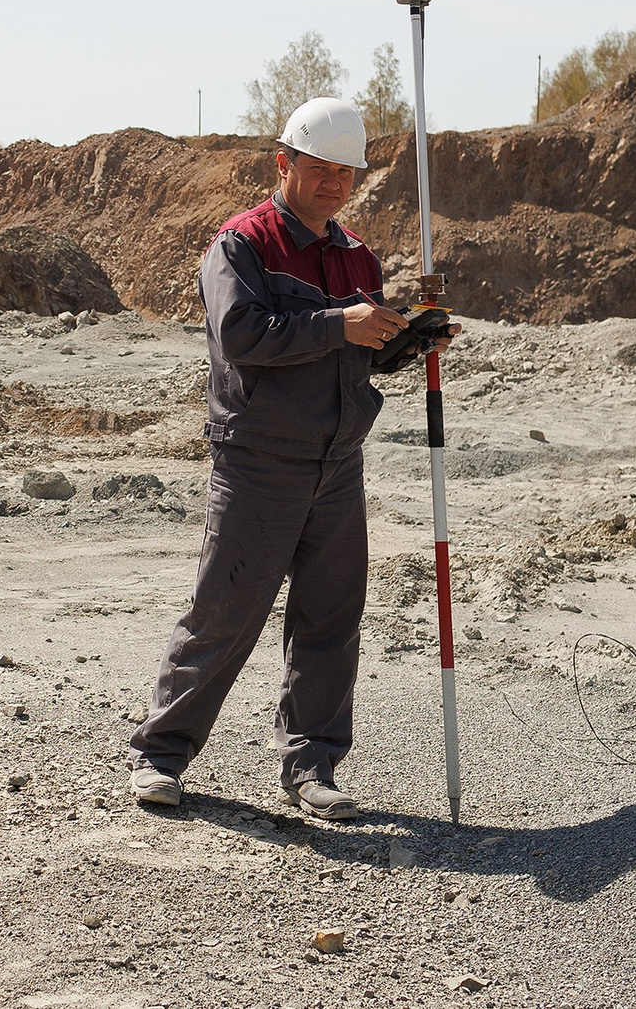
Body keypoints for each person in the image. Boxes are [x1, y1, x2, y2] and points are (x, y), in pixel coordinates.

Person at [127, 96, 444, 818]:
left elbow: (358, 350)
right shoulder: (241, 245)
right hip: (259, 460)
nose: (335, 184)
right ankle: (161, 753)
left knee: (330, 619)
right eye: (321, 169)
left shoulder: (356, 254)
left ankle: (313, 766)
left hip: (339, 464)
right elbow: (243, 335)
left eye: (347, 172)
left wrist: (412, 340)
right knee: (226, 610)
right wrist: (342, 323)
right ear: (286, 162)